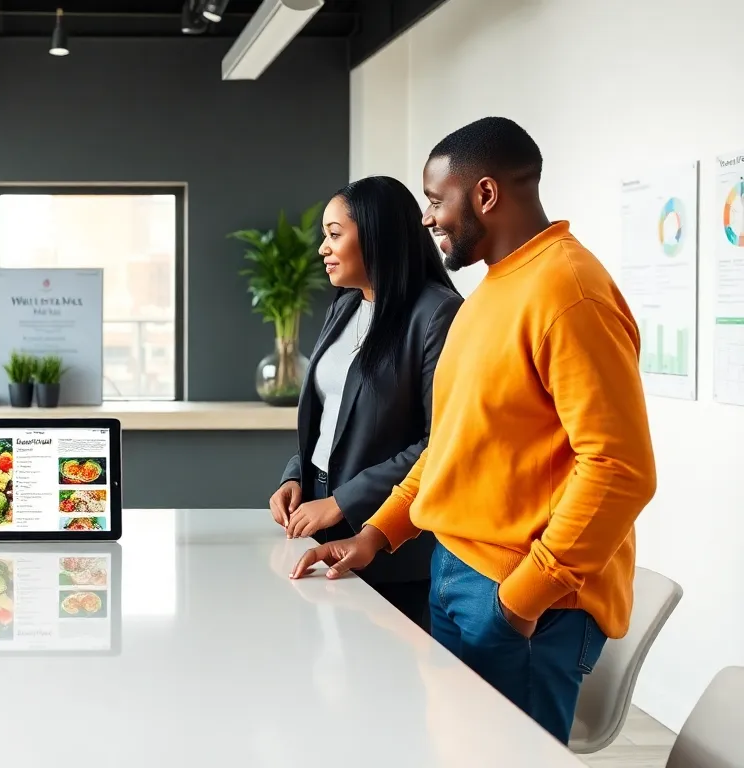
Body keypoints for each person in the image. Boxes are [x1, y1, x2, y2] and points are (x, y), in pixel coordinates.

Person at [291, 117, 657, 744]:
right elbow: (452, 445)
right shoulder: (492, 290)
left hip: (521, 599)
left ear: (485, 194)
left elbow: (620, 470)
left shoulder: (569, 291)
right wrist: (379, 533)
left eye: (435, 199)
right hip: (454, 571)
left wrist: (522, 599)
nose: (426, 217)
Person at [270, 176, 462, 631]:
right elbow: (329, 415)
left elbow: (439, 442)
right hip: (316, 514)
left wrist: (342, 501)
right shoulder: (346, 306)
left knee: (383, 677)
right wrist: (296, 475)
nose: (322, 248)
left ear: (376, 236)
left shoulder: (437, 314)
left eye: (334, 234)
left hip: (387, 535)